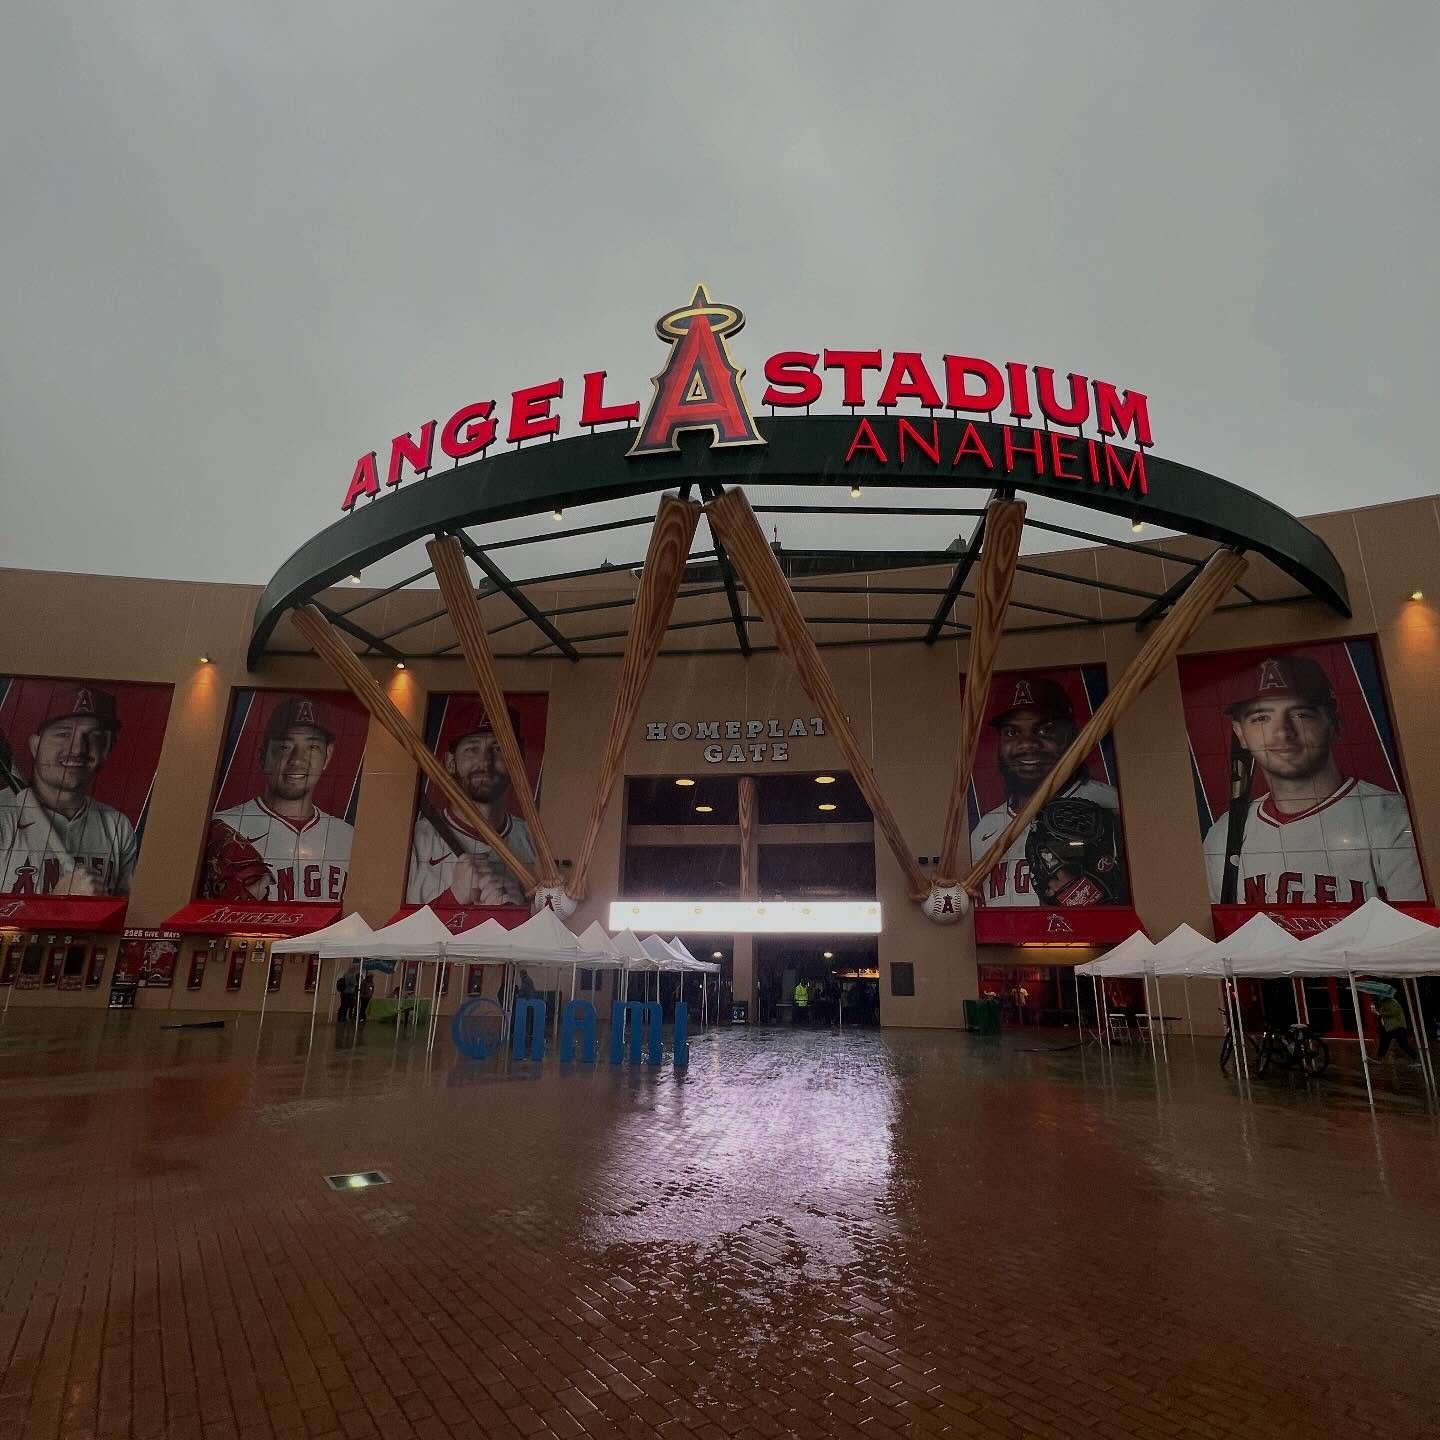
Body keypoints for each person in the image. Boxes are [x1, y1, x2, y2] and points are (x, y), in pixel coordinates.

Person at [1202, 656, 1423, 905]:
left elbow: (1419, 929)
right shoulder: (1223, 835)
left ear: (1334, 724)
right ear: (1240, 733)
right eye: (1261, 718)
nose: (1282, 732)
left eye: (1301, 714)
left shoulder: (1397, 821)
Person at [969, 677, 1125, 907]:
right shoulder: (985, 829)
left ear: (1069, 735)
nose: (1027, 744)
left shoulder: (1112, 804)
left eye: (1044, 730)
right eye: (1012, 732)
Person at [203, 696, 355, 903]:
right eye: (284, 746)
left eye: (312, 747)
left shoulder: (349, 837)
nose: (297, 759)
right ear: (262, 756)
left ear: (327, 756)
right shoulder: (222, 828)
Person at [0, 685, 138, 897]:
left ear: (106, 750)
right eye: (63, 734)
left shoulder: (117, 826)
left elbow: (129, 912)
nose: (77, 749)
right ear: (35, 745)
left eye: (94, 736)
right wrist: (60, 906)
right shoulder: (3, 816)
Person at [407, 704, 536, 907]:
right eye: (472, 749)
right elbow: (383, 925)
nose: (484, 762)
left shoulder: (535, 843)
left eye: (498, 748)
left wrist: (518, 912)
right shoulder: (413, 843)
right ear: (451, 762)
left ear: (517, 761)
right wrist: (453, 897)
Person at [1355, 979, 1421, 1065]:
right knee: (1384, 1043)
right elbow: (1383, 1013)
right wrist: (1377, 1011)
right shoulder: (1384, 1002)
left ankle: (1415, 1057)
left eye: (1379, 995)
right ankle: (1379, 1058)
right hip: (1388, 1027)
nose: (1378, 996)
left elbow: (1393, 1012)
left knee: (1403, 1044)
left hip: (1397, 1027)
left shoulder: (1392, 1002)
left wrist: (1379, 1013)